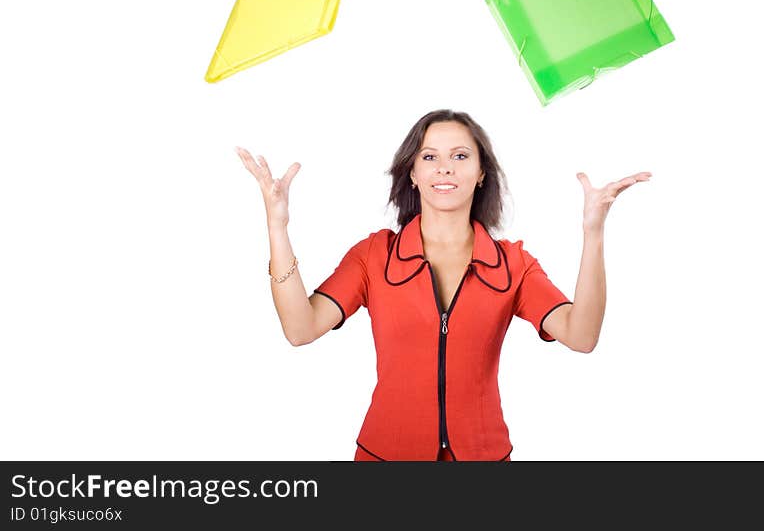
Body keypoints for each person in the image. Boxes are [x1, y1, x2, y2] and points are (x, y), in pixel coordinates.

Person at [236, 109, 650, 461]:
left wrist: (593, 232)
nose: (445, 167)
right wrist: (278, 226)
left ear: (481, 172)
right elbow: (300, 327)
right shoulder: (374, 255)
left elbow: (581, 336)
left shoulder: (513, 263)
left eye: (460, 155)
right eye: (430, 156)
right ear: (412, 173)